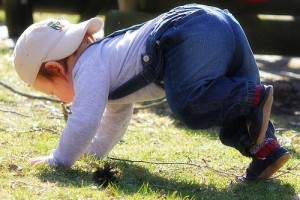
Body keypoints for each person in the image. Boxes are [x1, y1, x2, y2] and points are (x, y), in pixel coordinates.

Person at [13, 4, 290, 180]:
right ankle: (267, 150)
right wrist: (92, 154)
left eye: (51, 93)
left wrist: (59, 160)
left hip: (190, 30)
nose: (57, 98)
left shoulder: (87, 66)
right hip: (221, 22)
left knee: (190, 104)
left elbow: (85, 120)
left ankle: (252, 96)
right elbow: (113, 120)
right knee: (222, 102)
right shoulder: (107, 61)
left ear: (56, 69)